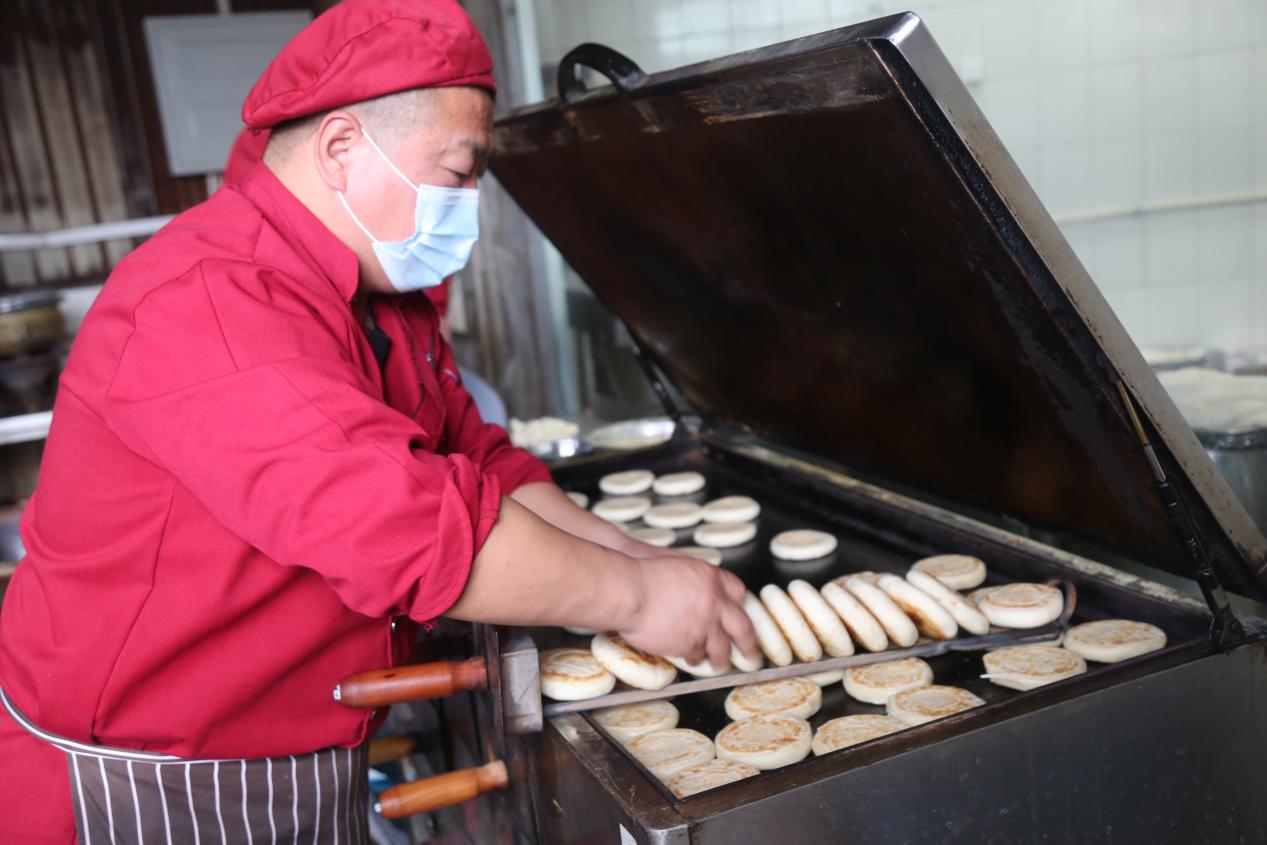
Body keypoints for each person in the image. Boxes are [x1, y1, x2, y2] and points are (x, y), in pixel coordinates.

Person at [0, 1, 754, 841]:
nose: (471, 200)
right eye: (459, 170)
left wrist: (637, 555)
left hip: (292, 749)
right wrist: (639, 596)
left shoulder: (381, 299)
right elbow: (402, 528)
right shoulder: (208, 299)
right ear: (341, 148)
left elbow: (479, 462)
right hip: (144, 779)